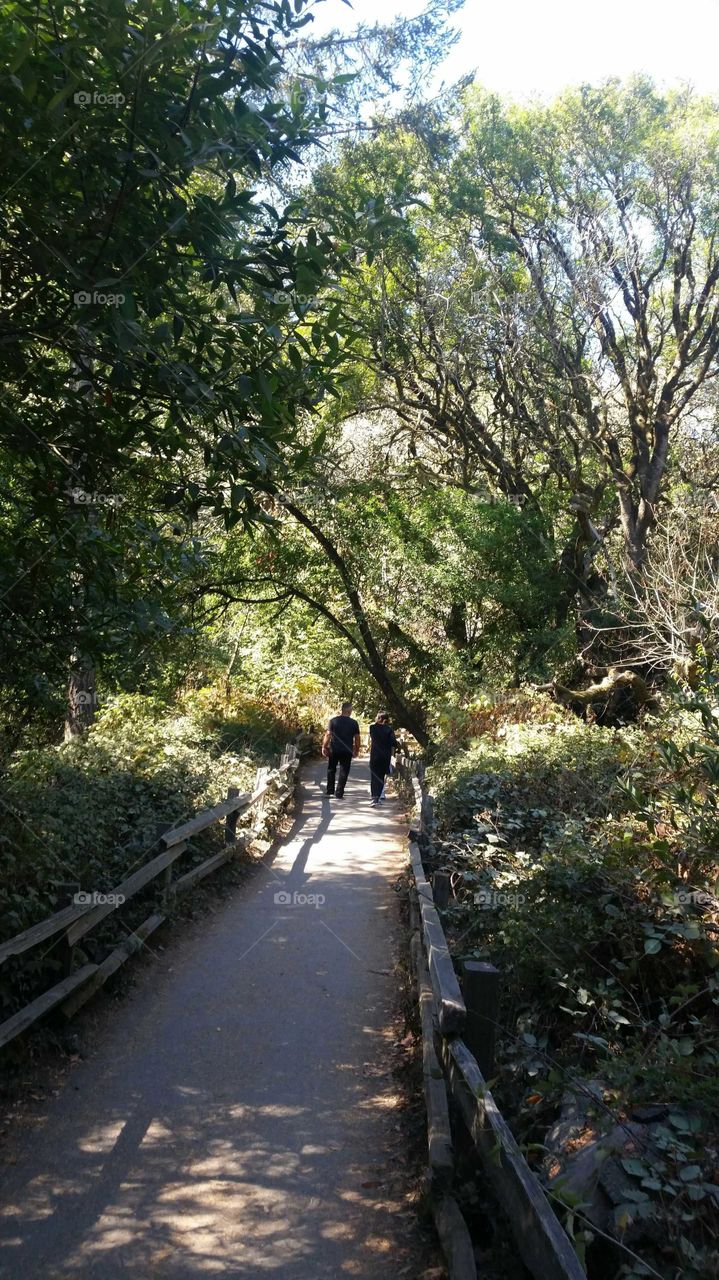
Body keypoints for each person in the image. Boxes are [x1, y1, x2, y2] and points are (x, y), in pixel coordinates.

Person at [321, 701, 361, 798]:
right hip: (347, 750)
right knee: (344, 771)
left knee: (331, 769)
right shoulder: (354, 723)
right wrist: (356, 749)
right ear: (349, 711)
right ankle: (339, 793)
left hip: (334, 748)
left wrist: (324, 746)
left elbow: (328, 734)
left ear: (342, 710)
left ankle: (330, 791)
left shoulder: (333, 721)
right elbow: (357, 738)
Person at [368, 711, 398, 806]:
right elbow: (394, 743)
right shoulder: (389, 730)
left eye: (377, 717)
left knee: (374, 776)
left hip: (375, 755)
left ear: (379, 718)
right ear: (386, 720)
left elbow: (375, 730)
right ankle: (377, 798)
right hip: (385, 756)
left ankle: (374, 797)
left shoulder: (372, 728)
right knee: (381, 777)